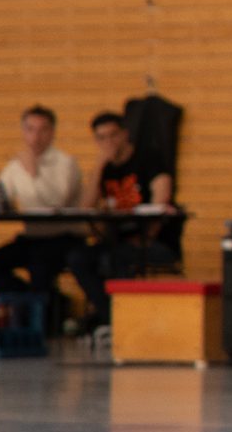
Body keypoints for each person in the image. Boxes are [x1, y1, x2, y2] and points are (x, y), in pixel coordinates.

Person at [63, 111, 174, 332]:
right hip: (115, 242)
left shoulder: (148, 159)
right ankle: (111, 318)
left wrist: (146, 236)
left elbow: (161, 200)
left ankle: (121, 321)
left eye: (113, 135)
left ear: (125, 134)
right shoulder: (104, 170)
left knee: (117, 258)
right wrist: (98, 167)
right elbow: (85, 208)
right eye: (101, 138)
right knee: (78, 258)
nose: (109, 142)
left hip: (152, 243)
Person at [0, 104, 85, 301]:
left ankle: (42, 307)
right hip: (31, 237)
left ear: (52, 132)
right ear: (23, 131)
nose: (36, 136)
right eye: (30, 129)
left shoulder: (66, 163)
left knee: (40, 266)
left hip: (61, 238)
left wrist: (32, 172)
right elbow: (2, 197)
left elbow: (55, 203)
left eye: (42, 129)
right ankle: (31, 300)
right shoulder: (15, 165)